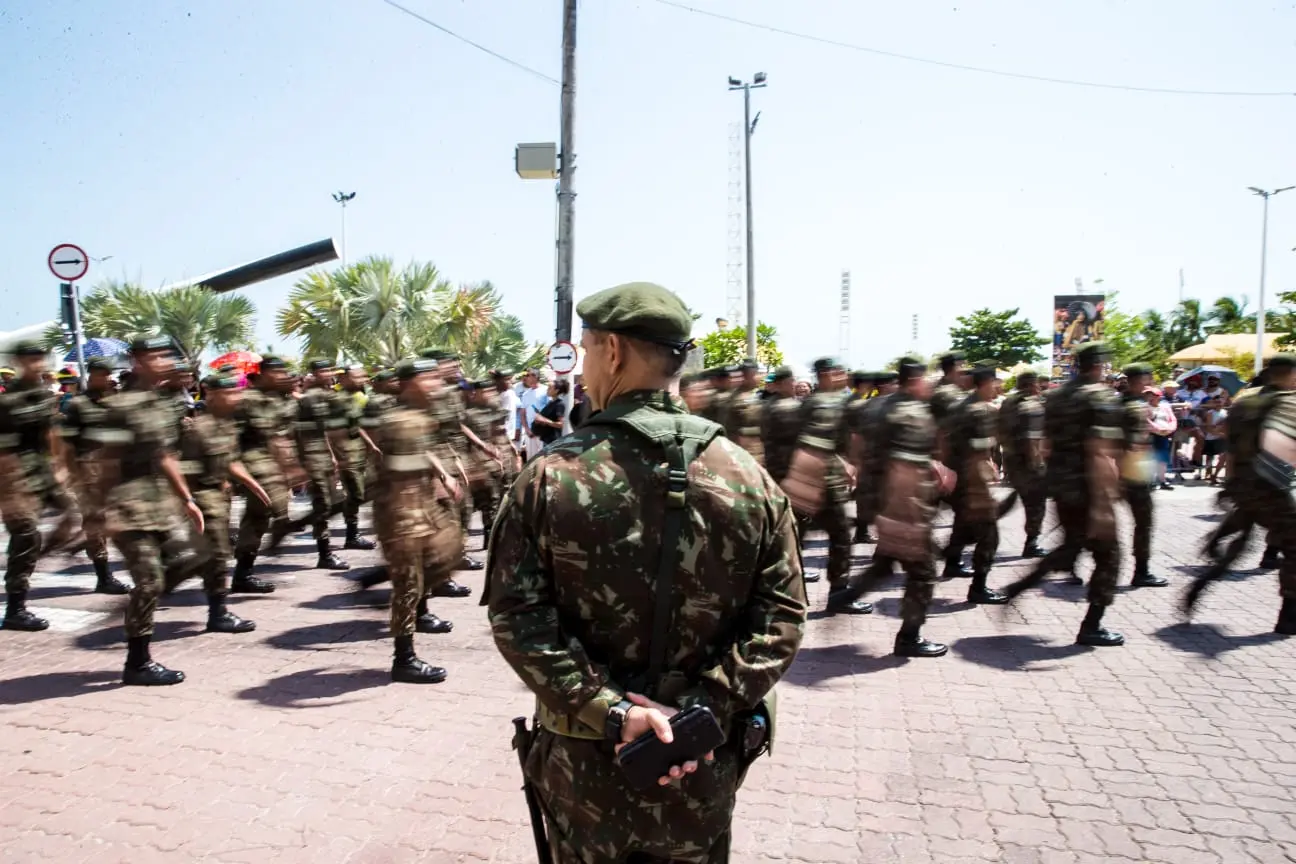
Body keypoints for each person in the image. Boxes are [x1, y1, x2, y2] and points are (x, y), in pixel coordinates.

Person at [487, 281, 806, 863]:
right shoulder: (749, 478)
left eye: (585, 350)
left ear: (612, 350)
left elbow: (519, 621)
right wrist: (700, 712)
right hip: (702, 759)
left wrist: (616, 712)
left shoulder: (551, 476)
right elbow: (781, 619)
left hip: (587, 767)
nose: (582, 369)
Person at [96, 337, 209, 684]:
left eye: (164, 356)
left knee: (195, 558)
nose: (162, 361)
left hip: (159, 503)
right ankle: (138, 663)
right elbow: (106, 461)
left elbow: (164, 456)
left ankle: (132, 613)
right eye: (154, 356)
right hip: (128, 506)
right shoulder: (121, 407)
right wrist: (100, 510)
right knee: (149, 581)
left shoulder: (159, 404)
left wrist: (188, 500)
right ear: (136, 361)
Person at [1002, 343, 1126, 647]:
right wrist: (1105, 495)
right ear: (1098, 365)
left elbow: (1045, 443)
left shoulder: (1055, 397)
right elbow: (1100, 450)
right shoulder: (1099, 397)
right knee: (1110, 557)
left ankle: (1018, 588)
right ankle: (1092, 625)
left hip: (1062, 485)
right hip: (1089, 487)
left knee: (1071, 547)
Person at [833, 358, 949, 656]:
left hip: (876, 498)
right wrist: (907, 515)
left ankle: (846, 595)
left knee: (885, 562)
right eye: (926, 381)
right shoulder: (912, 413)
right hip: (904, 503)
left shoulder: (875, 407)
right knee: (923, 572)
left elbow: (856, 444)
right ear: (915, 381)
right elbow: (903, 467)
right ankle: (909, 637)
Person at [1186, 355, 1296, 634]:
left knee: (1241, 544)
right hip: (1277, 487)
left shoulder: (1245, 401)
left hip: (1247, 484)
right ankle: (1289, 615)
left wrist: (1229, 484)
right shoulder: (1290, 403)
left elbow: (1230, 447)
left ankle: (1200, 584)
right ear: (1290, 374)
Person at [373, 358, 465, 683]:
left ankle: (384, 578)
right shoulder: (401, 421)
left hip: (418, 506)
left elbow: (420, 456)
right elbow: (394, 475)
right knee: (408, 584)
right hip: (403, 514)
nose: (437, 385)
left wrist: (442, 475)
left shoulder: (415, 418)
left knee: (446, 557)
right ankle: (404, 659)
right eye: (430, 379)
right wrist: (405, 529)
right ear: (410, 383)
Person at [175, 375, 274, 634]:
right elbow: (181, 469)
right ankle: (218, 613)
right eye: (229, 393)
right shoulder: (197, 429)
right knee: (217, 554)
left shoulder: (226, 425)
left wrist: (253, 484)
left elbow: (231, 460)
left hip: (220, 495)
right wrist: (188, 501)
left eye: (237, 393)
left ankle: (173, 576)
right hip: (203, 497)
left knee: (212, 554)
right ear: (211, 395)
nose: (236, 398)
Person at [0, 341, 81, 630]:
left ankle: (38, 556)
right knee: (26, 535)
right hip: (15, 477)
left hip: (42, 472)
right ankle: (15, 609)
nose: (38, 364)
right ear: (20, 362)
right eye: (31, 359)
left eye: (40, 358)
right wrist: (10, 492)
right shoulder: (7, 402)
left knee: (73, 516)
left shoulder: (42, 397)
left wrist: (60, 468)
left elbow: (51, 433)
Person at [784, 358, 868, 614]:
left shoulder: (813, 402)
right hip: (822, 484)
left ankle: (780, 593)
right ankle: (838, 594)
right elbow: (816, 445)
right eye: (840, 372)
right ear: (827, 375)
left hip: (810, 482)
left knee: (793, 539)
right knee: (840, 536)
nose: (844, 376)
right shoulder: (824, 404)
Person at [58, 356, 131, 595]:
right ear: (91, 376)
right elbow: (66, 444)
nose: (107, 378)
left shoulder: (115, 402)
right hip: (89, 472)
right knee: (96, 524)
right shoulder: (78, 405)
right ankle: (103, 575)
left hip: (115, 470)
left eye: (109, 374)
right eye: (102, 374)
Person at [943, 362, 1011, 604]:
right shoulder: (980, 410)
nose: (999, 387)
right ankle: (979, 587)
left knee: (962, 524)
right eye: (996, 382)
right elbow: (979, 453)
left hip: (958, 476)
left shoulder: (962, 405)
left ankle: (951, 563)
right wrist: (984, 478)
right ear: (986, 383)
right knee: (990, 535)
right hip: (972, 481)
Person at [231, 356, 296, 594]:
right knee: (261, 513)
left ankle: (244, 571)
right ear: (265, 373)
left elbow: (281, 434)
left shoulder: (276, 401)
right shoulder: (246, 400)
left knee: (262, 516)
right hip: (251, 463)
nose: (282, 377)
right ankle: (242, 572)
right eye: (278, 373)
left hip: (270, 463)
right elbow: (230, 437)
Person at [296, 360, 350, 570]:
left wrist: (332, 455)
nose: (328, 374)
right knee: (322, 504)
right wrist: (300, 462)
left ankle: (319, 543)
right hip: (311, 457)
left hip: (323, 456)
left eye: (329, 370)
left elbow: (323, 430)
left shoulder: (324, 397)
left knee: (331, 503)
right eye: (323, 371)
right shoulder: (307, 400)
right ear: (314, 374)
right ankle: (324, 553)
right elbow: (299, 433)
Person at [1120, 364, 1169, 589]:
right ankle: (1142, 571)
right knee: (1144, 521)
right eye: (1146, 380)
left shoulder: (1114, 403)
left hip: (1112, 469)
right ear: (1136, 382)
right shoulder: (1137, 408)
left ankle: (1069, 564)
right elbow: (1136, 444)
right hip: (1133, 471)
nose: (1148, 384)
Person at [998, 370, 1047, 557]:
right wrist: (1038, 464)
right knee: (1035, 503)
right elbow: (1032, 440)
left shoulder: (1007, 402)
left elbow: (999, 431)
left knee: (1019, 497)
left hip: (1011, 459)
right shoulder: (1032, 405)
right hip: (1028, 462)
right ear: (1031, 384)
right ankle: (1031, 543)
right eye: (1037, 384)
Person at [333, 365, 379, 551]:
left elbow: (356, 425)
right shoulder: (336, 400)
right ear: (343, 379)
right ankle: (351, 535)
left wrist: (370, 445)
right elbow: (331, 432)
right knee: (356, 493)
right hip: (345, 452)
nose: (361, 379)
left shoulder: (355, 398)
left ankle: (351, 533)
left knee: (360, 492)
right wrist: (335, 456)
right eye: (356, 376)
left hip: (357, 450)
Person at [1147, 385, 1177, 491]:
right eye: (1149, 395)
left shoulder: (1165, 407)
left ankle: (1162, 480)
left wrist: (1170, 429)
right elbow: (1146, 421)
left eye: (1153, 395)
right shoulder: (1145, 407)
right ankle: (1150, 481)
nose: (1150, 397)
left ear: (1159, 396)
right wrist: (1158, 429)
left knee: (1162, 459)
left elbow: (1172, 419)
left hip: (1164, 435)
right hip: (1150, 435)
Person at [530, 377, 569, 447]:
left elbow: (560, 424)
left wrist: (544, 420)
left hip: (553, 441)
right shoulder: (550, 402)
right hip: (546, 439)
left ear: (556, 390)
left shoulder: (560, 404)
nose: (547, 390)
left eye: (550, 388)